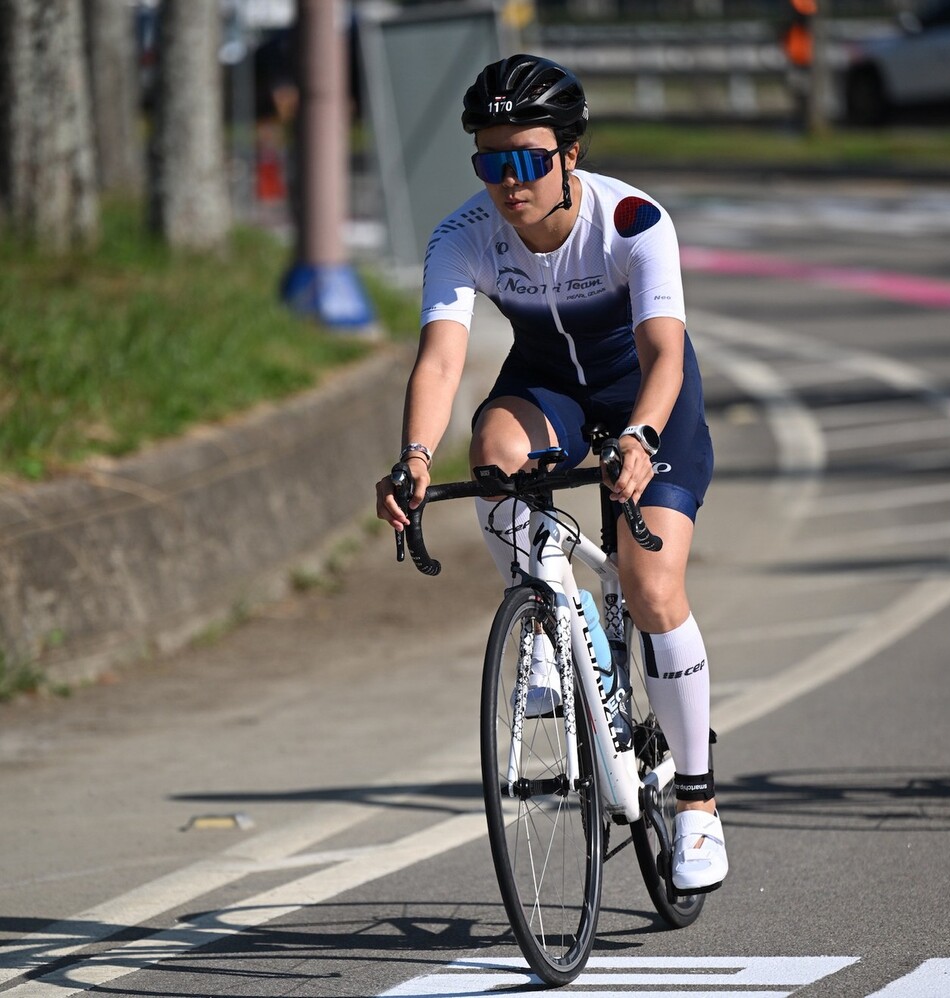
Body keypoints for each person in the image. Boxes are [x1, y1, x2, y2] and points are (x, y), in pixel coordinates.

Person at [375, 54, 727, 893]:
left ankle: (699, 802)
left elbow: (665, 352)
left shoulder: (634, 221)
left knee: (648, 587)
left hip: (647, 396)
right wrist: (414, 459)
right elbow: (441, 361)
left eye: (527, 158)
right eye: (490, 162)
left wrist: (640, 435)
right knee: (490, 449)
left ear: (570, 153)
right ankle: (543, 628)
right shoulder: (463, 236)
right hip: (549, 395)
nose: (509, 180)